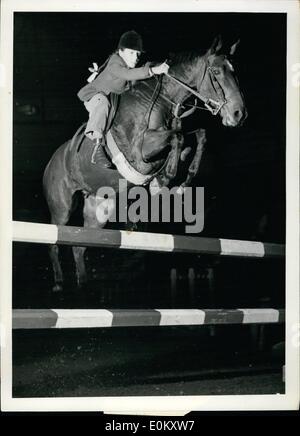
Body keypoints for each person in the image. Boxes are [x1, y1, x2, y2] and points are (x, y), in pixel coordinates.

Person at [77, 30, 169, 165]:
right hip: (94, 96)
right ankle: (96, 147)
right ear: (120, 52)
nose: (136, 57)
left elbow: (138, 74)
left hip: (112, 98)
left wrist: (155, 66)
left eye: (138, 54)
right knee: (102, 103)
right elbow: (128, 74)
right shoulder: (115, 63)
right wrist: (153, 70)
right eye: (131, 53)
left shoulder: (128, 64)